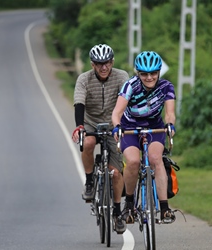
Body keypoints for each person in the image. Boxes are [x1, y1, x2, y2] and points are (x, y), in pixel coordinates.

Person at [111, 51, 176, 224]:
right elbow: (116, 112)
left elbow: (170, 113)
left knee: (156, 159)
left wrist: (170, 125)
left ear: (159, 72)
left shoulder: (166, 87)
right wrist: (117, 127)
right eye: (144, 74)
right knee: (132, 162)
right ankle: (129, 204)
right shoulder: (130, 86)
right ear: (138, 73)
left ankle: (164, 208)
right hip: (130, 127)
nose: (149, 77)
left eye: (153, 73)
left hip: (154, 128)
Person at [72, 44, 129, 234]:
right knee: (87, 142)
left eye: (107, 63)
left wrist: (124, 126)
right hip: (91, 123)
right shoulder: (84, 79)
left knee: (115, 172)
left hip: (114, 125)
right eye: (99, 64)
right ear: (92, 64)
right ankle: (89, 182)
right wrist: (80, 127)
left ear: (112, 62)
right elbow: (79, 102)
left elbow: (127, 102)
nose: (103, 67)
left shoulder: (122, 77)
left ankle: (117, 213)